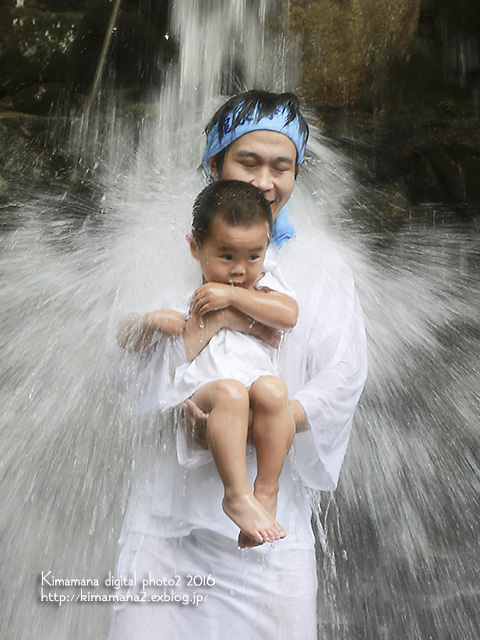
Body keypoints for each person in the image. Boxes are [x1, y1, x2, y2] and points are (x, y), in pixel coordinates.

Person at [108, 90, 368, 640]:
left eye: (282, 167)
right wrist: (185, 401)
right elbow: (122, 372)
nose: (264, 182)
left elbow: (344, 377)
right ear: (214, 163)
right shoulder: (158, 252)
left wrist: (272, 418)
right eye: (248, 162)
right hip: (166, 524)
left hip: (272, 532)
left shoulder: (324, 266)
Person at [119, 179, 298, 547]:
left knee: (274, 391)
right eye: (226, 256)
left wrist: (232, 296)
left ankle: (266, 491)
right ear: (195, 248)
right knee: (231, 394)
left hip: (252, 391)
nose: (240, 270)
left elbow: (289, 314)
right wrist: (151, 322)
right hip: (200, 393)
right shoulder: (187, 295)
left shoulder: (263, 286)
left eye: (253, 256)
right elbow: (123, 340)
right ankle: (235, 494)